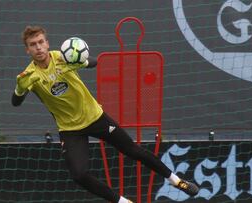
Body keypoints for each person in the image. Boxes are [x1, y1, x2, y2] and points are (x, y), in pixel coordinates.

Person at [11, 25, 199, 203]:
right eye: (33, 45)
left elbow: (94, 61)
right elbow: (15, 102)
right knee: (79, 175)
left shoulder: (62, 57)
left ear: (47, 43)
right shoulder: (29, 75)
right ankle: (122, 201)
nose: (38, 47)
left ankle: (177, 181)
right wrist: (20, 89)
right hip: (70, 130)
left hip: (95, 117)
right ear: (27, 50)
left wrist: (80, 63)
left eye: (41, 42)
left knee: (132, 150)